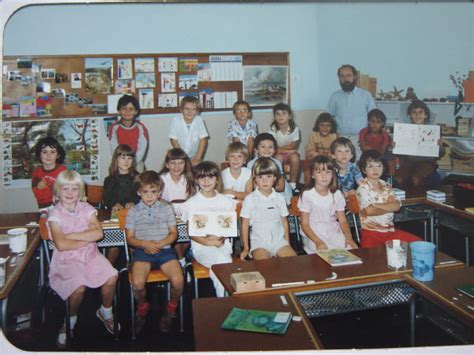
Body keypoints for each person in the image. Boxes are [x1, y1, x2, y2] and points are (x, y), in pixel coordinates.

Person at [47, 170, 118, 348]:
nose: (70, 193)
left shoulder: (87, 209)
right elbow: (61, 246)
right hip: (66, 259)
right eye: (65, 189)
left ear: (81, 192)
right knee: (78, 288)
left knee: (111, 276)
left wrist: (71, 235)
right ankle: (69, 320)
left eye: (74, 189)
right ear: (57, 191)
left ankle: (105, 312)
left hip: (90, 255)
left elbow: (99, 233)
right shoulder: (55, 215)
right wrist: (85, 237)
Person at [125, 171, 184, 334]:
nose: (149, 196)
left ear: (159, 192)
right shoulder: (133, 212)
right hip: (143, 252)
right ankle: (143, 307)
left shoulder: (167, 208)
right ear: (139, 192)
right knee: (137, 283)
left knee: (179, 280)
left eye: (153, 192)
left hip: (164, 251)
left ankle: (171, 308)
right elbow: (130, 238)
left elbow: (173, 234)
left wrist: (161, 243)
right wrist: (145, 243)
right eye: (145, 192)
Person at [180, 161, 236, 297]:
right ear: (196, 180)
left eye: (210, 177)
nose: (206, 181)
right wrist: (209, 242)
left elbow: (228, 227)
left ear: (217, 179)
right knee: (223, 263)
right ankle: (225, 301)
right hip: (201, 247)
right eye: (202, 177)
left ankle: (222, 300)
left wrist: (219, 240)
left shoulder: (226, 201)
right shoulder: (191, 203)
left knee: (221, 263)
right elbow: (191, 233)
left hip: (222, 245)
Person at [357, 150, 421, 248]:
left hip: (390, 231)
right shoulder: (362, 188)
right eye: (370, 166)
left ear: (383, 167)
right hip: (371, 233)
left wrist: (375, 205)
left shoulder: (386, 185)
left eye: (379, 166)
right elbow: (369, 211)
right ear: (364, 169)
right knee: (371, 257)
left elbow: (396, 207)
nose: (375, 169)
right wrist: (388, 206)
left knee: (418, 243)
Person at [297, 156, 358, 254]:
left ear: (333, 174)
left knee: (350, 248)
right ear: (312, 175)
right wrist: (318, 242)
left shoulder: (337, 194)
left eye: (328, 172)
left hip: (332, 229)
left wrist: (349, 237)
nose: (324, 176)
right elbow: (304, 224)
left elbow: (342, 221)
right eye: (319, 172)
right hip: (313, 232)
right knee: (324, 252)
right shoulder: (307, 194)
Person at [239, 157, 296, 260]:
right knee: (265, 266)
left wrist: (287, 243)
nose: (265, 181)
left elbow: (284, 221)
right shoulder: (250, 199)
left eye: (269, 176)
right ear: (255, 179)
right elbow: (245, 224)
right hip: (259, 243)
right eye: (260, 177)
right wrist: (246, 248)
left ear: (275, 178)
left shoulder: (280, 198)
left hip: (279, 242)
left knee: (292, 261)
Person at [394, 100, 444, 192]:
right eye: (414, 112)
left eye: (421, 112)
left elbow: (441, 153)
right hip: (408, 162)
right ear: (410, 115)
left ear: (426, 115)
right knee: (398, 179)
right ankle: (402, 201)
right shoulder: (405, 131)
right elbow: (400, 153)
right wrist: (395, 146)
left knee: (416, 179)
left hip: (426, 162)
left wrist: (440, 146)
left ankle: (418, 202)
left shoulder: (433, 131)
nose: (417, 115)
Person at [158, 148, 196, 267]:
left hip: (186, 215)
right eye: (173, 163)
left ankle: (182, 258)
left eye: (180, 163)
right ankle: (181, 261)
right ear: (167, 164)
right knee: (174, 238)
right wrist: (167, 204)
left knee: (190, 236)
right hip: (167, 215)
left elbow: (195, 197)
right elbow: (156, 197)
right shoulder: (162, 178)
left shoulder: (189, 178)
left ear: (185, 165)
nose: (176, 166)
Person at [103, 144, 140, 264]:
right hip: (117, 218)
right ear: (116, 159)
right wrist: (115, 203)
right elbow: (107, 197)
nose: (126, 161)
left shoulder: (138, 177)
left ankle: (135, 268)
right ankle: (108, 272)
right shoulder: (109, 180)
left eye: (129, 158)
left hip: (134, 218)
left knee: (134, 244)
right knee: (114, 247)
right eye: (123, 157)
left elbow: (142, 195)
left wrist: (134, 202)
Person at [327, 64, 376, 136]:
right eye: (342, 76)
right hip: (341, 139)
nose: (345, 79)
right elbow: (328, 116)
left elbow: (374, 116)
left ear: (355, 77)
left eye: (348, 75)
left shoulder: (366, 95)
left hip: (361, 139)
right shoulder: (335, 96)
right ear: (339, 78)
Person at [247, 133, 292, 204]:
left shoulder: (276, 163)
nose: (267, 150)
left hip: (277, 191)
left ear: (274, 150)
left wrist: (268, 190)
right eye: (263, 147)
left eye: (270, 147)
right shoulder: (251, 164)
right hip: (259, 191)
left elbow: (281, 186)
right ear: (256, 150)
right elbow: (252, 184)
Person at [108, 95, 149, 172]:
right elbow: (114, 148)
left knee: (139, 175)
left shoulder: (141, 128)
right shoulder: (114, 127)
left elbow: (142, 148)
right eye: (124, 109)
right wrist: (122, 162)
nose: (127, 112)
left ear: (136, 111)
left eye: (131, 109)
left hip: (136, 162)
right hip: (119, 161)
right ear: (119, 111)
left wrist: (131, 162)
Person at [268, 103, 301, 191]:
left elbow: (293, 145)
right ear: (274, 116)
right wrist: (286, 150)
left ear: (289, 116)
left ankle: (293, 184)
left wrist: (280, 149)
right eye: (277, 114)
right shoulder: (272, 129)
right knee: (278, 159)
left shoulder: (294, 129)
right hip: (277, 153)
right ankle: (281, 182)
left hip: (289, 153)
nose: (280, 116)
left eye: (284, 113)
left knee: (295, 157)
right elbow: (272, 146)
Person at [169, 96, 209, 166]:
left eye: (193, 109)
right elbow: (173, 139)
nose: (190, 112)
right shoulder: (176, 120)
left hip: (195, 155)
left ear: (197, 111)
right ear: (181, 110)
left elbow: (203, 140)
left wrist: (197, 158)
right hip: (180, 154)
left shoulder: (199, 120)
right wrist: (182, 158)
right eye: (186, 109)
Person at [31, 136, 67, 213]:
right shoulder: (37, 172)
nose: (48, 155)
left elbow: (70, 190)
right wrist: (39, 188)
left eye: (52, 152)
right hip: (44, 207)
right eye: (44, 152)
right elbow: (37, 194)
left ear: (58, 155)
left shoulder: (63, 170)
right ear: (39, 155)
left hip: (63, 206)